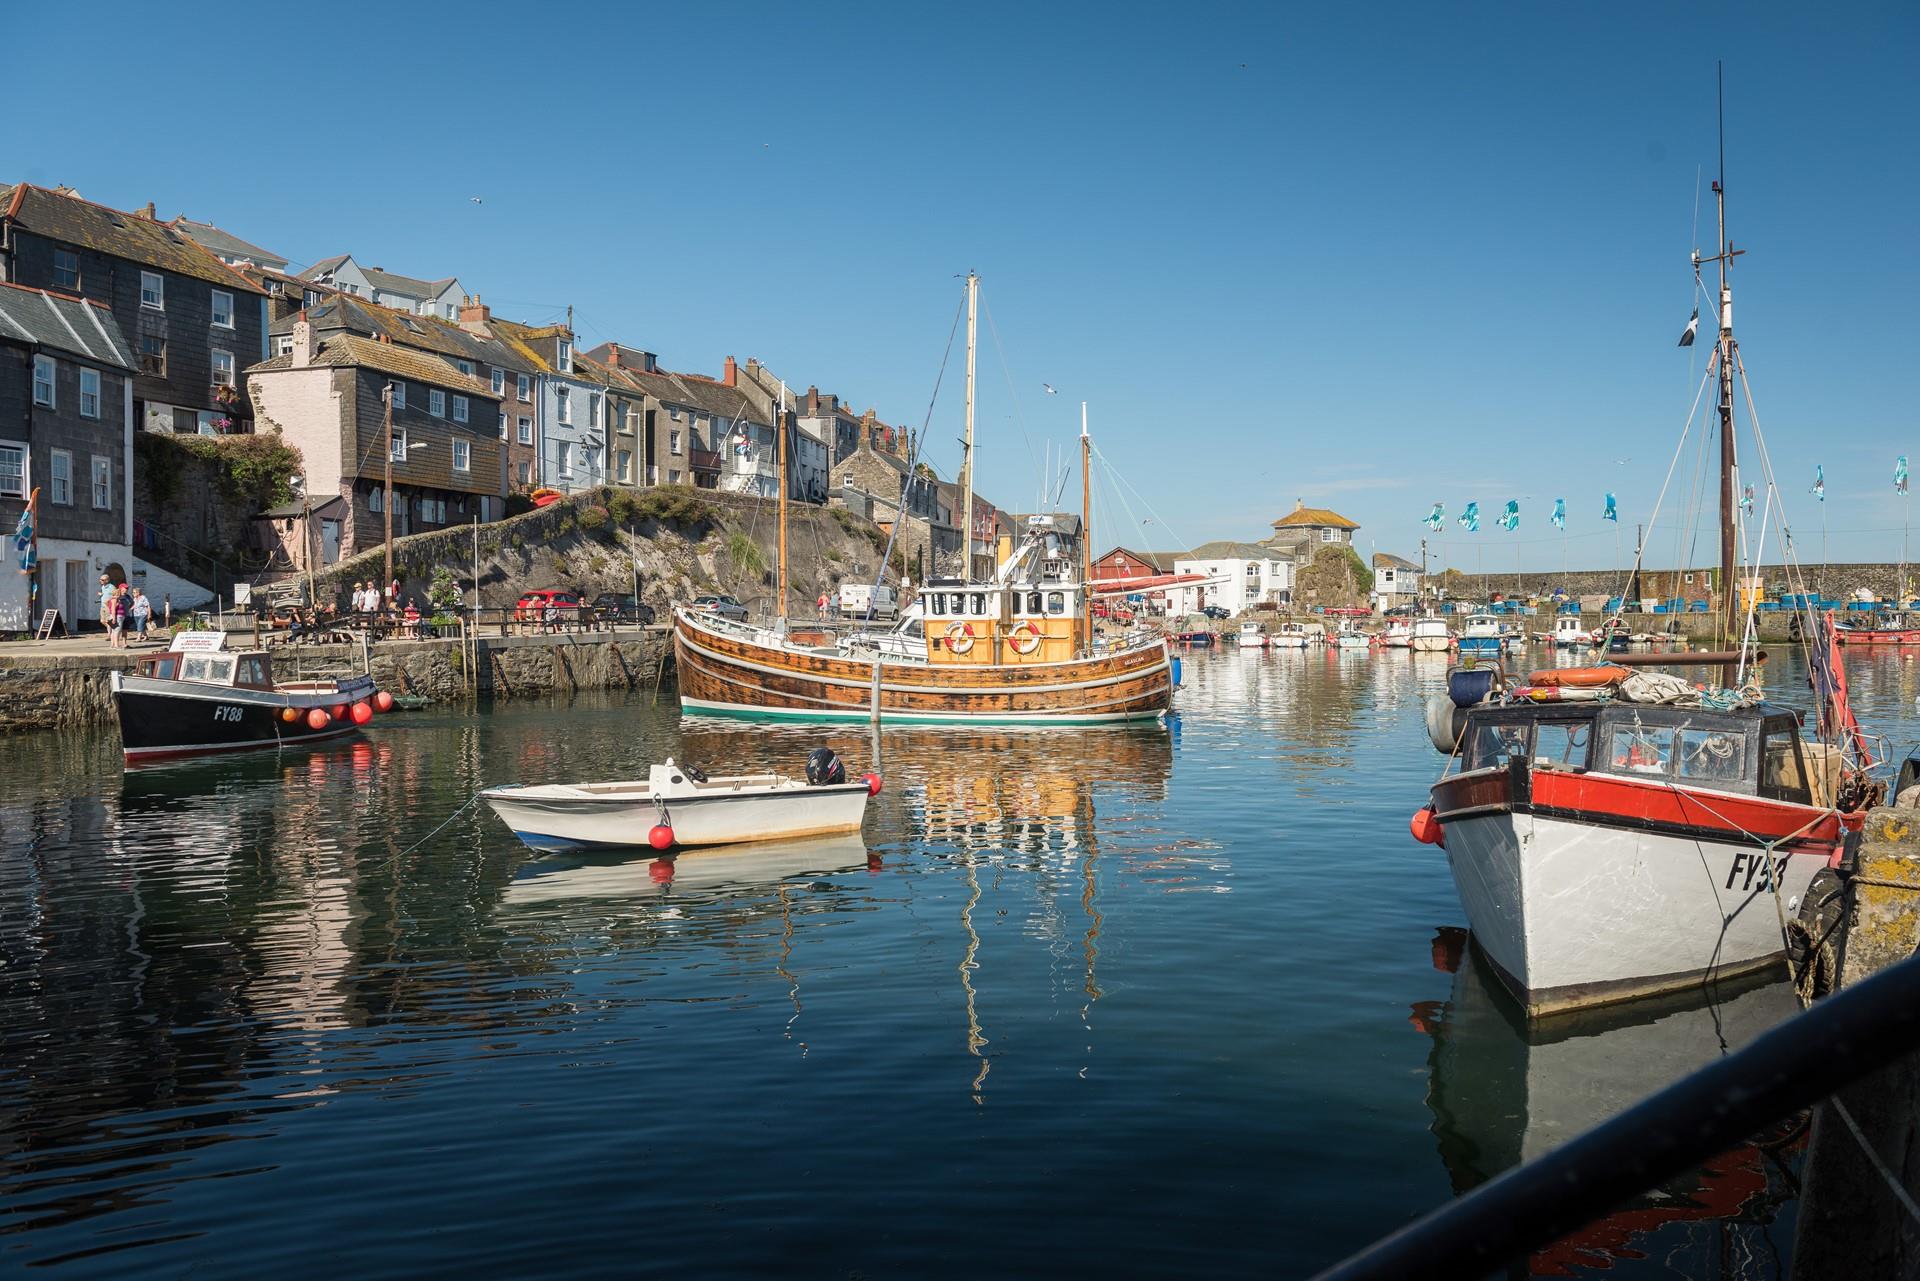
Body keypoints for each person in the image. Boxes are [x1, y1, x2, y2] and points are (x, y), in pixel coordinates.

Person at [109, 583, 131, 649]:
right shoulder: (115, 599)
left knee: (115, 631)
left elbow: (132, 603)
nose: (127, 589)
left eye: (127, 588)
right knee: (117, 631)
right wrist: (113, 618)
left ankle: (113, 645)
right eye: (125, 588)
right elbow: (113, 609)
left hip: (121, 616)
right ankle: (116, 645)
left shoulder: (124, 597)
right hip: (117, 616)